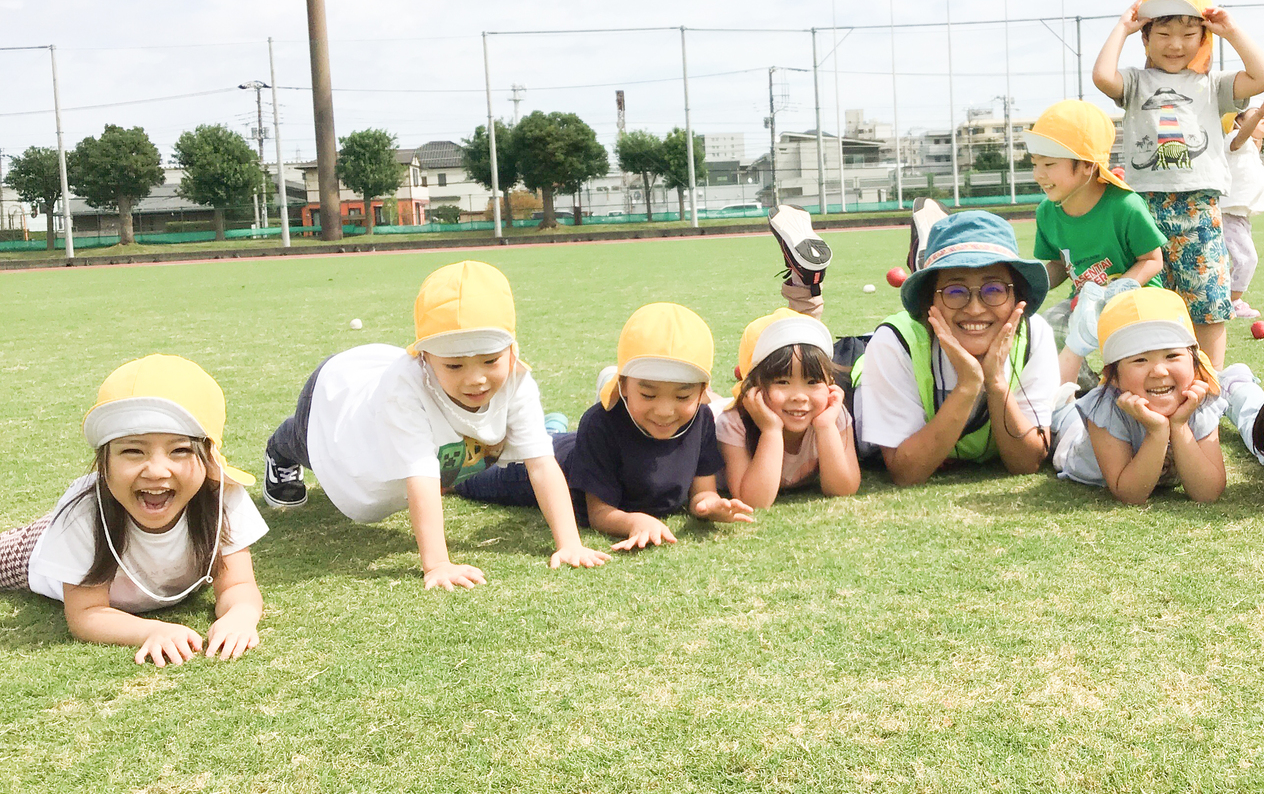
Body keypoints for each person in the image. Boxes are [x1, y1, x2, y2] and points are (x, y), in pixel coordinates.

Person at [261, 260, 609, 592]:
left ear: (512, 349)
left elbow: (542, 465)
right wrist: (437, 564)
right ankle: (279, 448)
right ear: (425, 359)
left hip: (394, 410)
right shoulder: (403, 388)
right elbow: (421, 475)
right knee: (308, 444)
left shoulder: (518, 379)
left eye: (490, 360)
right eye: (454, 366)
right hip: (336, 403)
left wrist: (569, 544)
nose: (476, 379)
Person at [0, 355, 267, 667]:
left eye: (179, 450)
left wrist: (240, 616)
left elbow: (237, 585)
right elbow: (86, 613)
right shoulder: (83, 514)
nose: (155, 470)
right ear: (104, 463)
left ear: (209, 460)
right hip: (40, 547)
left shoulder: (221, 496)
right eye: (132, 450)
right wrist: (150, 630)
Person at [768, 206, 1057, 485]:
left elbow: (1026, 463)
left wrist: (995, 381)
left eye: (993, 290)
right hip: (857, 372)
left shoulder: (1034, 335)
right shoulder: (896, 341)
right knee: (797, 373)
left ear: (1017, 297)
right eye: (955, 291)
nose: (975, 308)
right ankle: (805, 289)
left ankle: (929, 260)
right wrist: (968, 385)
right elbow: (905, 472)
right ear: (930, 301)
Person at [456, 302, 753, 550]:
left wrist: (709, 505)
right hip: (545, 468)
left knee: (555, 437)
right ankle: (547, 431)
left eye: (682, 395)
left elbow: (702, 491)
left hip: (578, 445)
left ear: (703, 392)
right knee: (462, 477)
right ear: (622, 385)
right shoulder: (600, 423)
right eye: (648, 394)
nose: (664, 410)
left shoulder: (702, 420)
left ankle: (551, 427)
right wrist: (635, 521)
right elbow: (599, 513)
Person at [1092, 0, 1264, 368]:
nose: (1176, 44)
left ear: (1204, 38)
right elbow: (1102, 77)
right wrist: (1121, 27)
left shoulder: (1213, 84)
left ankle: (1211, 383)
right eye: (1163, 33)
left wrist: (1232, 32)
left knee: (1208, 302)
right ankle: (1150, 377)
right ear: (1145, 39)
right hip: (1142, 207)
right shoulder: (1137, 81)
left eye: (1189, 34)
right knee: (1146, 304)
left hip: (1199, 208)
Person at [1027, 99, 1166, 386]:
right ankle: (1087, 391)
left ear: (1088, 165)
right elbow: (1057, 264)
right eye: (1035, 164)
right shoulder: (1046, 212)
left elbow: (1152, 259)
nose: (1039, 174)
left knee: (1135, 365)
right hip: (1083, 305)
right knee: (1045, 328)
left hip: (1136, 303)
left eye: (1049, 164)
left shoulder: (1126, 206)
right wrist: (1028, 280)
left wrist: (1118, 291)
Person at [1051, 288, 1226, 504]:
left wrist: (1179, 426)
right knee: (1065, 420)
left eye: (1172, 355)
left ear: (1194, 361)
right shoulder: (1105, 408)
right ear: (1112, 377)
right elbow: (1130, 494)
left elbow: (1208, 493)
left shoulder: (1199, 399)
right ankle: (1062, 405)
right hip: (1074, 447)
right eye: (1140, 360)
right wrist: (1157, 432)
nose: (1160, 371)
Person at [716, 308, 860, 509]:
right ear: (753, 386)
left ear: (830, 384)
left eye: (812, 381)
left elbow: (843, 489)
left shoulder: (830, 414)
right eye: (782, 382)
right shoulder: (733, 422)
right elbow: (753, 502)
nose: (799, 396)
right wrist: (771, 430)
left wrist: (826, 427)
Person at [1220, 98, 1264, 318]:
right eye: (1257, 115)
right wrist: (1258, 114)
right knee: (1247, 259)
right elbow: (1239, 138)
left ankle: (1224, 298)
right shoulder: (1234, 139)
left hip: (1238, 215)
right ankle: (1232, 301)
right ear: (1237, 122)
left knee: (1232, 260)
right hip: (1227, 214)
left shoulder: (1250, 149)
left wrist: (1262, 115)